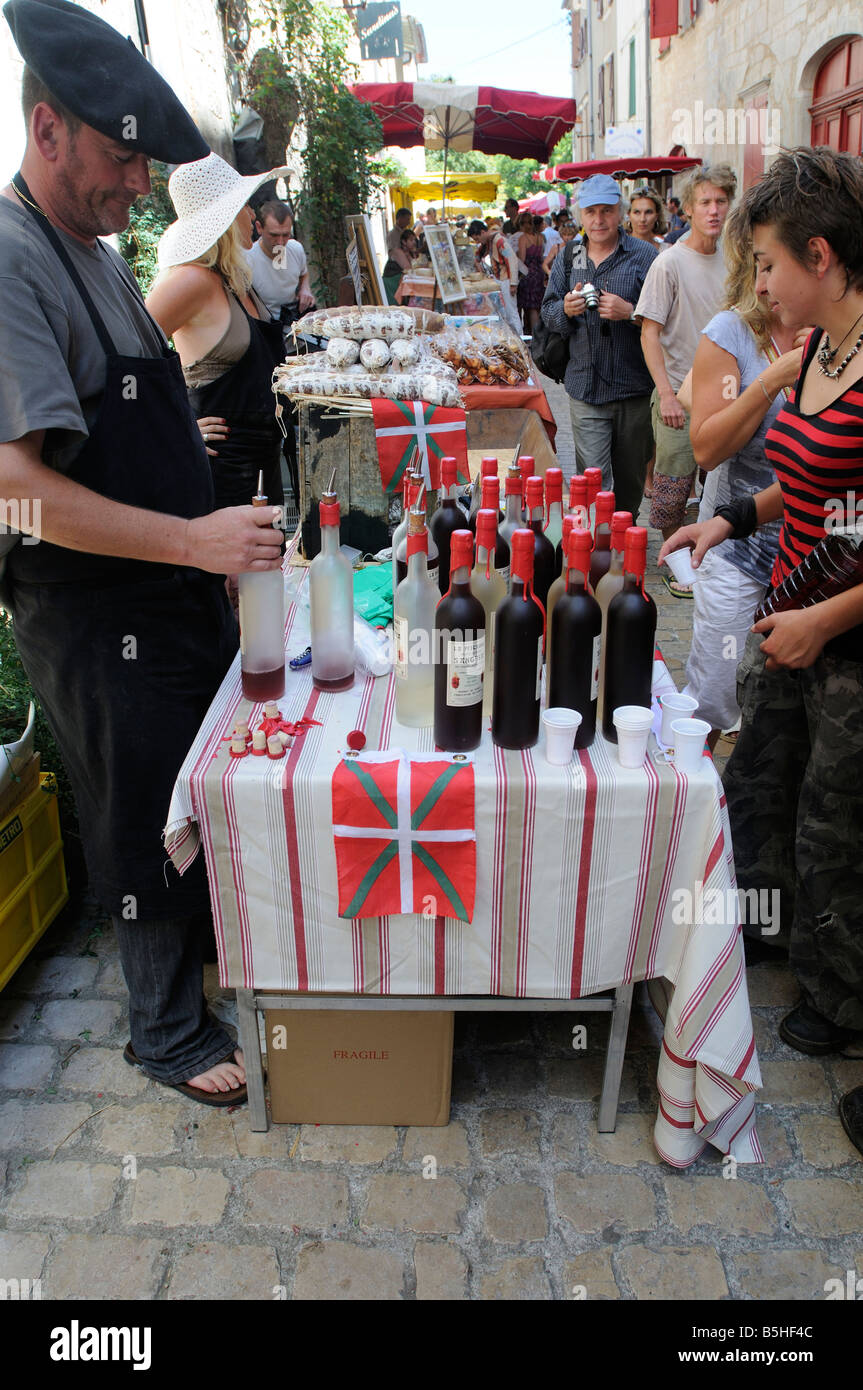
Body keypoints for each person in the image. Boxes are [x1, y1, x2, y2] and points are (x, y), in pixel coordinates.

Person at [0, 0, 284, 1106]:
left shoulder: (96, 250)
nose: (139, 183)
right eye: (123, 159)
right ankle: (163, 1030)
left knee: (179, 780)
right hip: (91, 608)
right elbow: (15, 491)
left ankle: (197, 972)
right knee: (139, 797)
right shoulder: (12, 259)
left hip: (165, 589)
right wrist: (191, 538)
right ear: (48, 129)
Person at [659, 147, 863, 1155]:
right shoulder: (818, 347)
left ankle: (843, 998)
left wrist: (827, 621)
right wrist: (730, 517)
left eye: (771, 264)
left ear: (819, 257)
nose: (759, 284)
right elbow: (806, 482)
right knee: (758, 789)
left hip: (842, 641)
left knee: (837, 827)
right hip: (787, 610)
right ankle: (782, 949)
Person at [674, 205, 806, 747]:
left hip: (814, 557)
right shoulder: (732, 332)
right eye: (759, 265)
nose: (766, 281)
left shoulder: (841, 334)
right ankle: (697, 779)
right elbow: (706, 450)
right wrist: (773, 378)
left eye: (774, 264)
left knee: (786, 709)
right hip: (738, 547)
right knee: (716, 694)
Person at [146, 153, 290, 514]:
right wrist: (177, 428)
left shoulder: (233, 277)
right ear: (225, 216)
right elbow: (126, 362)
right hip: (220, 480)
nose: (253, 215)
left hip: (262, 470)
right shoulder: (190, 280)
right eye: (245, 205)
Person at [635, 163, 736, 589]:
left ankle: (711, 562)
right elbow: (649, 333)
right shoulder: (669, 263)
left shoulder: (735, 260)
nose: (714, 210)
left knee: (723, 489)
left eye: (721, 201)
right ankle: (680, 568)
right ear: (688, 209)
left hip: (727, 396)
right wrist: (667, 394)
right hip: (680, 394)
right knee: (672, 491)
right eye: (705, 202)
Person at [539, 173, 658, 520]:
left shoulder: (644, 255)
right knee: (593, 482)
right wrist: (565, 309)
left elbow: (666, 317)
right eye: (591, 212)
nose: (598, 220)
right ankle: (595, 542)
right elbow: (547, 311)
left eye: (606, 210)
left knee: (630, 482)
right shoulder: (569, 256)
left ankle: (622, 534)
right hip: (586, 387)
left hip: (633, 388)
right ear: (581, 215)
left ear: (620, 212)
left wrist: (630, 313)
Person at [245, 198, 315, 328]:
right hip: (267, 327)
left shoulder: (295, 249)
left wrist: (305, 288)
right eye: (274, 235)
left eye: (286, 235)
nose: (280, 242)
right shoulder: (247, 260)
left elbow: (303, 273)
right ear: (259, 228)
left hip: (295, 322)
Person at [468, 216, 521, 334]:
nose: (477, 242)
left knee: (511, 312)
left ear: (482, 232)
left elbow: (511, 259)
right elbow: (478, 255)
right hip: (501, 279)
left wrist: (513, 283)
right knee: (506, 312)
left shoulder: (499, 241)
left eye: (477, 238)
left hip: (506, 280)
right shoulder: (490, 241)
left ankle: (519, 337)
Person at [516, 211, 545, 334]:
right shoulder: (540, 237)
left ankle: (534, 335)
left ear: (522, 224)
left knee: (531, 307)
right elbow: (541, 256)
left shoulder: (523, 238)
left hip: (528, 274)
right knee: (537, 306)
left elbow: (522, 259)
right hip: (539, 272)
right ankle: (539, 333)